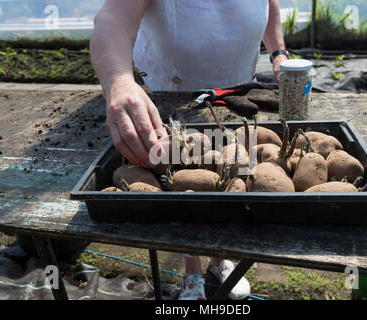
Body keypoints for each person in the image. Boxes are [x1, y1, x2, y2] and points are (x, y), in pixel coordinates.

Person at [90, 0, 288, 300]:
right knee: (182, 188)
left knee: (234, 180)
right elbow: (112, 18)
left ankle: (219, 260)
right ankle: (191, 270)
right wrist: (119, 81)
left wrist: (278, 52)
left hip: (236, 99)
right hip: (173, 103)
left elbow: (269, 3)